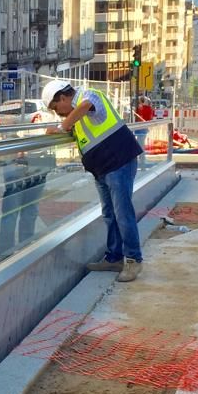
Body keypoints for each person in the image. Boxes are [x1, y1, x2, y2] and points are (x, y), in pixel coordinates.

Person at [42, 79, 144, 282]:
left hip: (118, 162)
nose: (58, 112)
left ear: (63, 97)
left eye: (56, 107)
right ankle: (114, 257)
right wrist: (61, 128)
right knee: (110, 214)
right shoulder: (77, 115)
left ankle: (133, 260)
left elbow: (86, 106)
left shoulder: (88, 96)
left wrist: (62, 126)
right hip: (103, 169)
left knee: (123, 213)